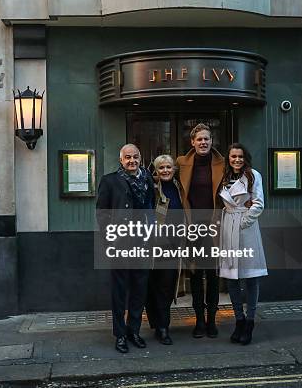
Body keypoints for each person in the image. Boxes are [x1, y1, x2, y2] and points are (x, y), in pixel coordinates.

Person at [96, 144, 154, 354]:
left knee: (139, 289)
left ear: (140, 158)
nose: (132, 160)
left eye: (135, 157)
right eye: (127, 157)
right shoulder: (109, 181)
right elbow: (102, 214)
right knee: (119, 292)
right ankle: (120, 335)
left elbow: (150, 208)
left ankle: (134, 331)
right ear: (121, 160)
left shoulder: (147, 178)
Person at [176, 123, 224, 338]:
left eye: (207, 139)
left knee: (213, 276)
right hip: (192, 229)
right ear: (192, 142)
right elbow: (164, 179)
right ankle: (199, 322)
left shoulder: (223, 163)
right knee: (195, 276)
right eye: (199, 139)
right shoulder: (181, 163)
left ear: (211, 141)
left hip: (215, 227)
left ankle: (212, 320)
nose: (203, 142)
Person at [218, 143, 267, 345]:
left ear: (245, 157)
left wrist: (243, 222)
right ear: (228, 159)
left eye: (239, 156)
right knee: (231, 278)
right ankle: (238, 320)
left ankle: (250, 321)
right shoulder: (224, 176)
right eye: (233, 156)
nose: (236, 159)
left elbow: (259, 203)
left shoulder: (253, 175)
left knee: (251, 277)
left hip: (245, 228)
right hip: (228, 226)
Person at [146, 154, 190, 345]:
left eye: (168, 167)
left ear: (174, 169)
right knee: (151, 286)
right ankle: (157, 324)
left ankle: (163, 327)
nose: (165, 171)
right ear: (156, 170)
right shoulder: (152, 188)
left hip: (174, 245)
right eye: (161, 167)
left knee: (166, 286)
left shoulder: (179, 188)